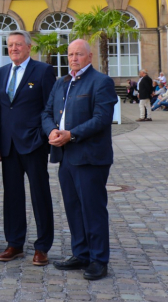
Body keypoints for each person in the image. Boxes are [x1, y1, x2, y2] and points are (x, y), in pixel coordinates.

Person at [42, 39, 117, 281]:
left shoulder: (101, 82)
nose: (74, 58)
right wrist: (51, 131)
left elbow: (102, 118)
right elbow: (46, 112)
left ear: (90, 56)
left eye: (79, 54)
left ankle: (98, 259)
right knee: (73, 208)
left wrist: (71, 134)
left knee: (92, 209)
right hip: (65, 157)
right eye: (71, 54)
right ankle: (81, 253)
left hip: (90, 157)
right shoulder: (61, 82)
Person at [0, 31, 56, 266]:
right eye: (10, 45)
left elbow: (49, 106)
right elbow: (1, 110)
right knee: (12, 196)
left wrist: (42, 135)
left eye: (18, 45)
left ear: (29, 47)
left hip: (33, 143)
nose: (14, 48)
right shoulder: (1, 73)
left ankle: (42, 247)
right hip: (8, 145)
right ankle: (14, 243)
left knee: (40, 195)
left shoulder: (42, 71)